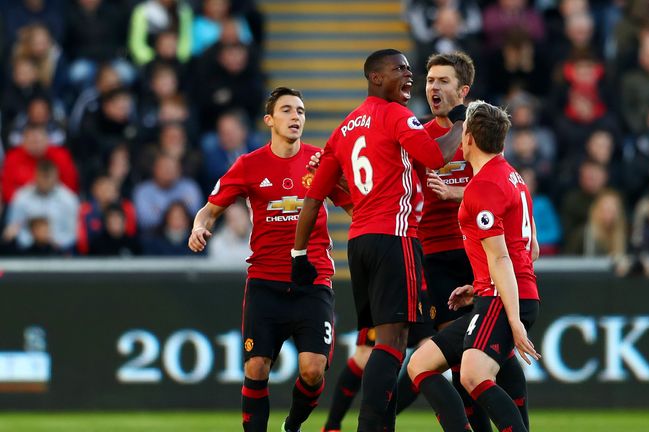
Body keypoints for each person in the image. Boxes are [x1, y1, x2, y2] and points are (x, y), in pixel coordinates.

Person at [291, 49, 464, 432]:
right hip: (395, 238)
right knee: (393, 344)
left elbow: (314, 198)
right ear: (374, 77)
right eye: (398, 69)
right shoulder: (396, 115)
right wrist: (460, 122)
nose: (409, 75)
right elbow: (436, 157)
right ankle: (371, 426)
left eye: (409, 68)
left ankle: (348, 424)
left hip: (360, 245)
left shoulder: (344, 129)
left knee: (376, 347)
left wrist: (299, 254)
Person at [188, 87, 351, 432]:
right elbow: (210, 209)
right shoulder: (249, 165)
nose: (296, 117)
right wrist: (198, 227)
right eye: (288, 110)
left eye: (302, 111)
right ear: (270, 120)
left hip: (312, 280)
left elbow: (353, 206)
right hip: (265, 282)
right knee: (256, 367)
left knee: (312, 370)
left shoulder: (319, 161)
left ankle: (292, 423)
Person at [406, 101, 541, 432]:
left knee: (472, 374)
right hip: (497, 292)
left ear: (467, 137)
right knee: (420, 364)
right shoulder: (513, 178)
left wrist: (512, 318)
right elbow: (531, 248)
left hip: (503, 298)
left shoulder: (483, 187)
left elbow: (502, 257)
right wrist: (479, 284)